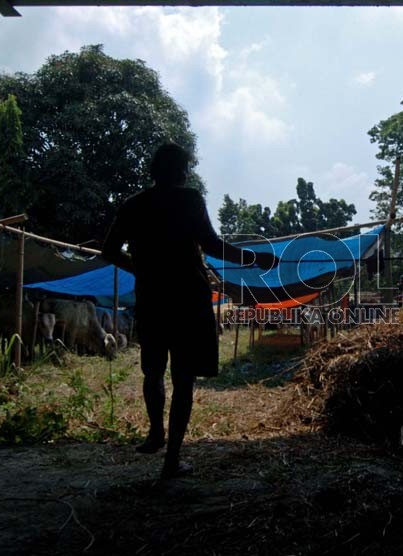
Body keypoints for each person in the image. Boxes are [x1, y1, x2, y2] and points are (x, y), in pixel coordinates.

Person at [103, 143, 278, 480]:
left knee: (152, 371)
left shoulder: (132, 206)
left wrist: (142, 269)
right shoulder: (189, 199)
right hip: (188, 299)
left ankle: (156, 432)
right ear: (182, 170)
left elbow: (109, 251)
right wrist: (256, 259)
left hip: (152, 298)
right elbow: (213, 246)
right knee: (183, 380)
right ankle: (172, 461)